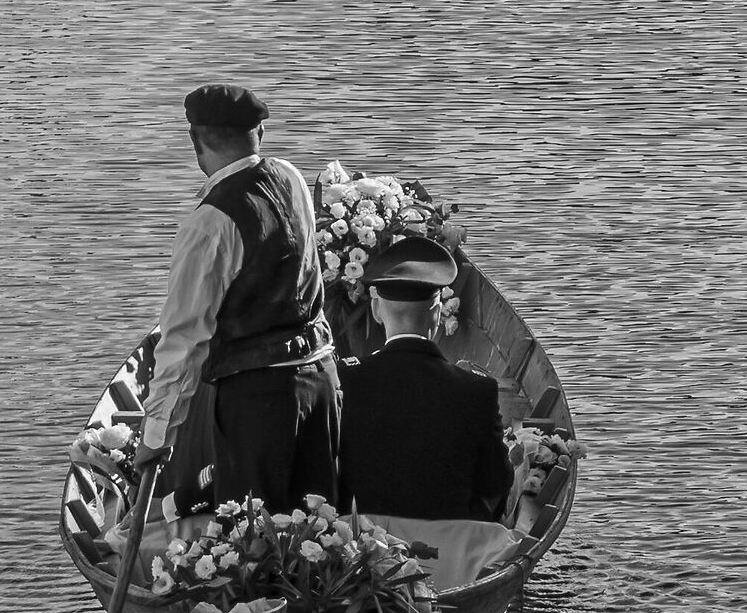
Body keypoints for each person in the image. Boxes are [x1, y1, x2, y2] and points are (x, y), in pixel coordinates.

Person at [137, 84, 339, 514]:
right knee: (320, 526)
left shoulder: (209, 223)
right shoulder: (291, 176)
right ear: (259, 132)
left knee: (253, 543)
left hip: (261, 399)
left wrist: (156, 436)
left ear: (196, 142)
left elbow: (183, 339)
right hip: (322, 380)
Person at [338, 237, 510, 525]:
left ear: (376, 311)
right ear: (436, 314)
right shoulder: (477, 389)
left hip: (363, 550)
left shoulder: (345, 380)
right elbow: (495, 483)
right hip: (452, 550)